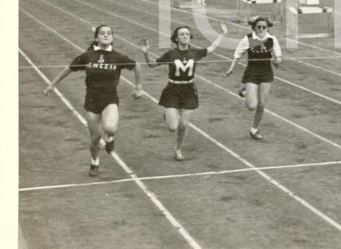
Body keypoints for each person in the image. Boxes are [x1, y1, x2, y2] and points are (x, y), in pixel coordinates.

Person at [42, 25, 145, 177]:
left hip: (110, 99)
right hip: (92, 100)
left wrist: (138, 88)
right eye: (102, 33)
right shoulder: (87, 56)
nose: (106, 35)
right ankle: (94, 162)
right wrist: (52, 84)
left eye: (109, 33)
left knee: (110, 128)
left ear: (112, 37)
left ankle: (110, 138)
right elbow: (68, 69)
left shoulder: (117, 57)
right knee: (95, 139)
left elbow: (136, 65)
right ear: (96, 38)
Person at [138, 23, 227, 160]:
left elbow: (212, 48)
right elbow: (152, 64)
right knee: (172, 127)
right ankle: (168, 115)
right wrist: (146, 52)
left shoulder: (195, 52)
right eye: (182, 34)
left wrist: (222, 34)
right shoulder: (171, 54)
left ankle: (178, 149)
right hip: (173, 89)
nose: (185, 36)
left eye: (187, 34)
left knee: (184, 125)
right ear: (176, 38)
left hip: (189, 90)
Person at [225, 16, 282, 141]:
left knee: (261, 104)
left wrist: (277, 60)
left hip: (266, 73)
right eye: (259, 27)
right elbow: (237, 55)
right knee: (251, 106)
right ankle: (246, 89)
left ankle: (254, 130)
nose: (261, 29)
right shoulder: (249, 39)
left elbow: (278, 58)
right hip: (252, 73)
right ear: (254, 28)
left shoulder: (272, 39)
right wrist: (231, 68)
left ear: (267, 28)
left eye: (264, 27)